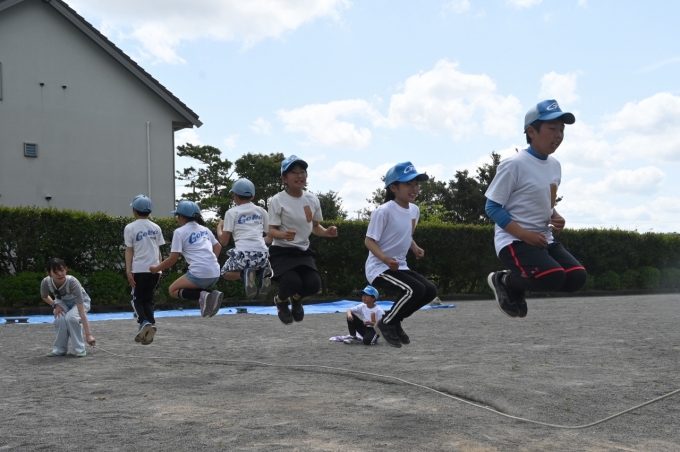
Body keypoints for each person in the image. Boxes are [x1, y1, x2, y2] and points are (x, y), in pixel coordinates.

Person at [485, 100, 587, 318]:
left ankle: (515, 284)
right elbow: (492, 207)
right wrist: (525, 235)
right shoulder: (514, 164)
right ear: (531, 131)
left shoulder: (555, 165)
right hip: (514, 241)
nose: (558, 135)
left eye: (562, 130)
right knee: (553, 277)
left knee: (576, 277)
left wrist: (556, 216)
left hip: (543, 239)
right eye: (552, 129)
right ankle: (503, 280)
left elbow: (546, 201)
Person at [366, 162, 437, 348]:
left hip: (400, 266)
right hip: (379, 268)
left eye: (416, 184)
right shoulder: (383, 211)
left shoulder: (414, 210)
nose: (414, 188)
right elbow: (369, 241)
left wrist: (415, 247)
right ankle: (387, 323)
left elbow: (407, 234)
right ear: (393, 188)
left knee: (430, 290)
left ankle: (394, 320)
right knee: (414, 290)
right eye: (408, 184)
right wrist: (385, 259)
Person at [267, 155, 338, 325]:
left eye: (302, 172)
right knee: (292, 282)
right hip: (282, 251)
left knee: (314, 285)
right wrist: (283, 235)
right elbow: (271, 231)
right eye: (294, 172)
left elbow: (315, 226)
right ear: (284, 178)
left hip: (303, 251)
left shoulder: (312, 199)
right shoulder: (277, 200)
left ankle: (297, 299)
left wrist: (326, 232)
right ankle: (281, 301)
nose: (299, 175)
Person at [150, 200, 224, 318]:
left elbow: (173, 259)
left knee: (172, 290)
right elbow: (218, 247)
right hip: (215, 272)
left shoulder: (179, 232)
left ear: (181, 217)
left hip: (199, 273)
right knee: (198, 288)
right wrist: (210, 262)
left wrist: (156, 269)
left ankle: (204, 296)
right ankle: (209, 296)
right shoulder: (205, 229)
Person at [216, 178, 272, 299]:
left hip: (243, 254)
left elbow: (223, 242)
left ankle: (244, 274)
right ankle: (263, 273)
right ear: (253, 196)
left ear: (235, 196)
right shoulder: (262, 211)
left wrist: (219, 227)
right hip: (262, 255)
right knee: (257, 266)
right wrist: (257, 240)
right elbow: (271, 238)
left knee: (225, 272)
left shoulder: (231, 212)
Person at [124, 194, 165, 345]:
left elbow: (129, 250)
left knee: (136, 299)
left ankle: (143, 322)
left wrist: (128, 271)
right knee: (148, 298)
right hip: (154, 269)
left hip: (139, 269)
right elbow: (158, 251)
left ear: (134, 210)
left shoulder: (130, 227)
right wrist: (160, 269)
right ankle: (151, 323)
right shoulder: (156, 227)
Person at [40, 258, 96, 357]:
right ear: (49, 273)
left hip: (80, 302)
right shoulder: (46, 282)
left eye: (62, 270)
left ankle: (79, 349)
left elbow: (81, 313)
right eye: (55, 272)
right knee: (59, 319)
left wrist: (88, 335)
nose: (60, 274)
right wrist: (54, 305)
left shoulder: (73, 282)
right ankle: (59, 349)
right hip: (61, 302)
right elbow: (44, 296)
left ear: (66, 269)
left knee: (72, 318)